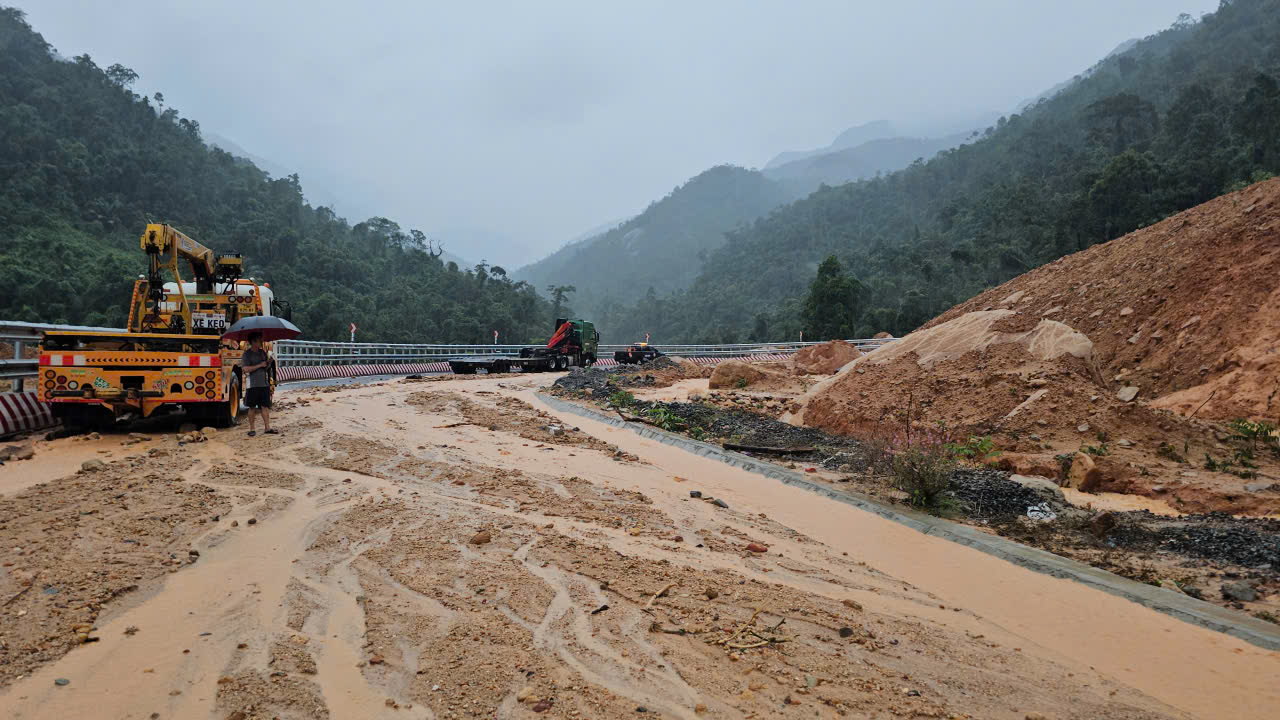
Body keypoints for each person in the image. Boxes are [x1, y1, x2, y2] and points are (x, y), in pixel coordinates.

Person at [239, 332, 277, 436]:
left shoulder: (262, 353)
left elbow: (265, 368)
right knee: (252, 407)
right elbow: (245, 369)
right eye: (258, 340)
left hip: (264, 384)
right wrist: (259, 365)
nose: (261, 342)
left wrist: (269, 362)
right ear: (252, 342)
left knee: (265, 406)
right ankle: (252, 429)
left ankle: (267, 428)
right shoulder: (247, 354)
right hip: (252, 385)